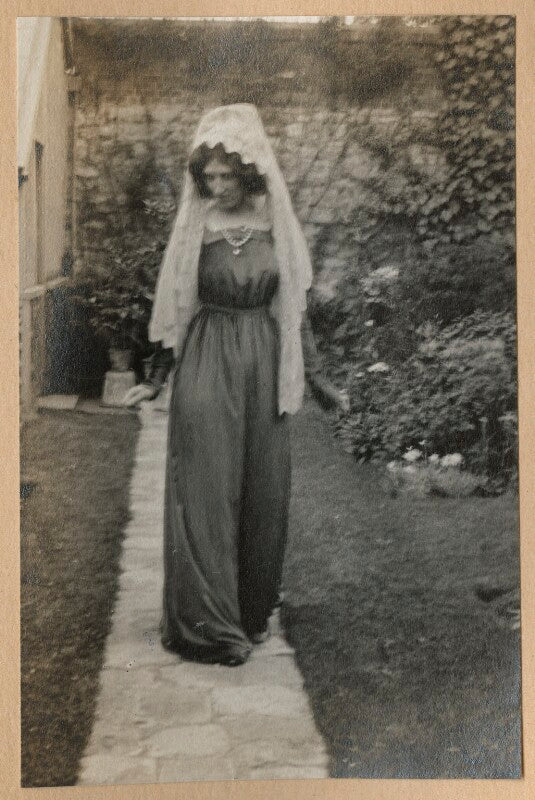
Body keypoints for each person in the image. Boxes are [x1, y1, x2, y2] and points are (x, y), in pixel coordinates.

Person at [124, 104, 347, 666]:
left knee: (262, 488)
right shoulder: (196, 223)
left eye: (228, 175)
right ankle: (209, 626)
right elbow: (177, 306)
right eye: (210, 177)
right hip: (207, 356)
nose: (217, 186)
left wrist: (318, 378)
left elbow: (293, 307)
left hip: (264, 360)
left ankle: (249, 611)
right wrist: (155, 379)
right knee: (205, 485)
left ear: (248, 173)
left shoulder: (275, 217)